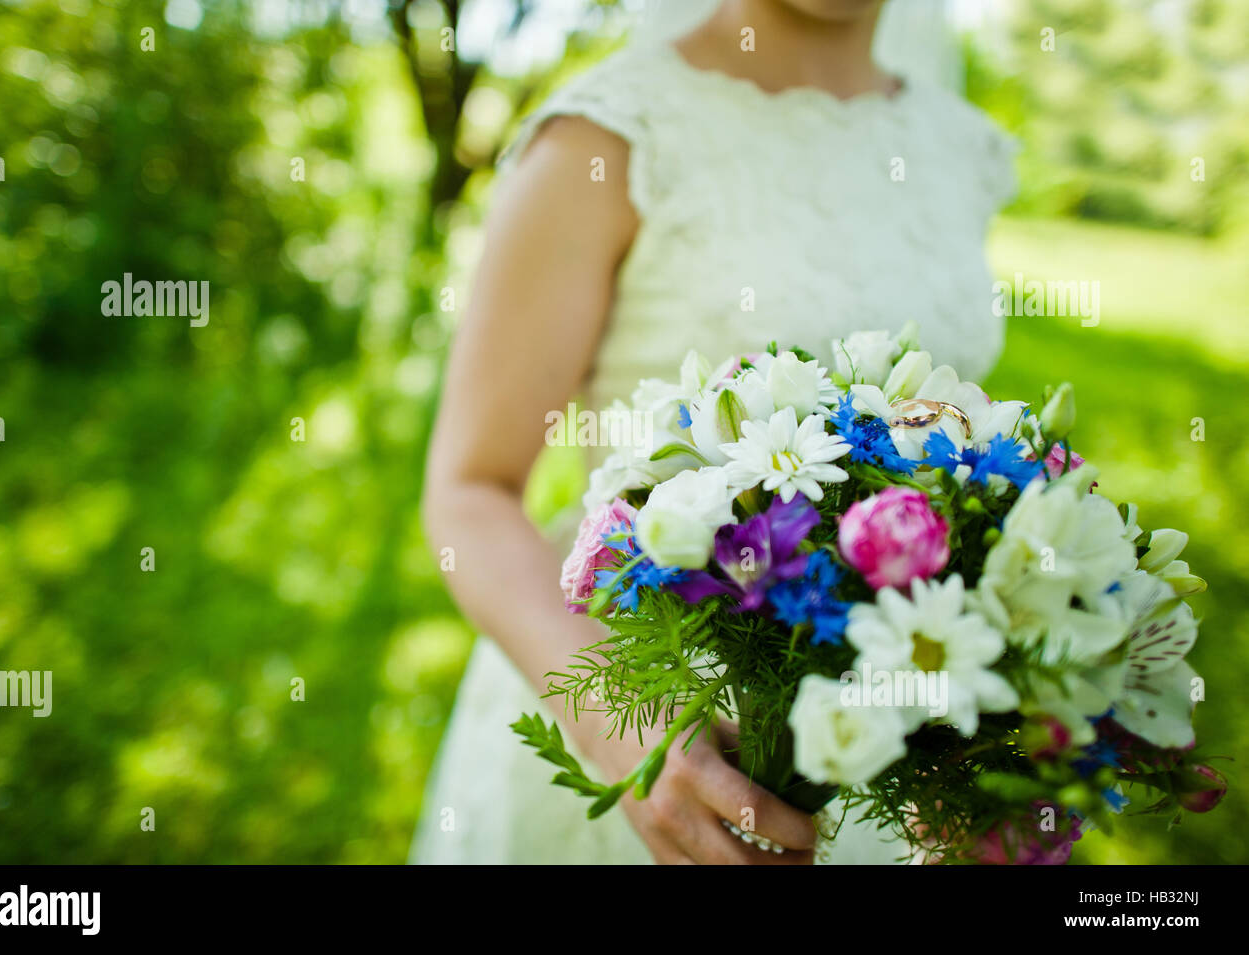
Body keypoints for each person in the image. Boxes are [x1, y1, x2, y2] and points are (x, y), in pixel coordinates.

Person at [413, 0, 1017, 864]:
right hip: (661, 732)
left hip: (888, 741)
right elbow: (470, 489)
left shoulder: (960, 145)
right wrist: (629, 730)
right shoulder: (607, 137)